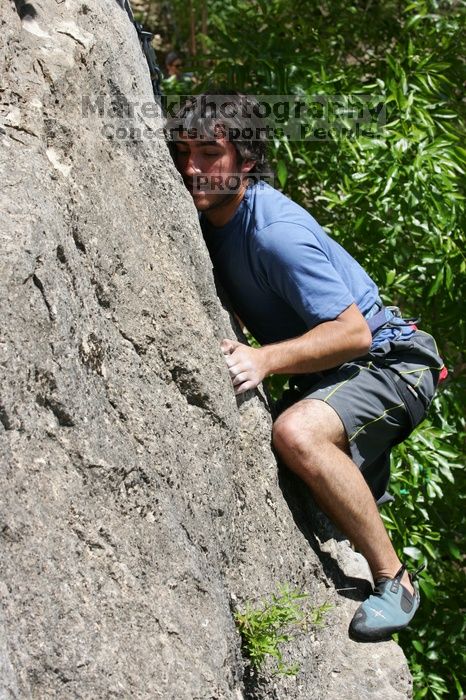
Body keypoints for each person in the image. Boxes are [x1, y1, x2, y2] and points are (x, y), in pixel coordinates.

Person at [166, 93, 444, 642]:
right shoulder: (208, 215)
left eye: (209, 152)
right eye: (182, 151)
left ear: (246, 160)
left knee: (296, 433)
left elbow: (353, 332)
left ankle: (395, 580)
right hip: (339, 372)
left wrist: (263, 359)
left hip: (390, 361)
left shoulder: (273, 233)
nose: (191, 167)